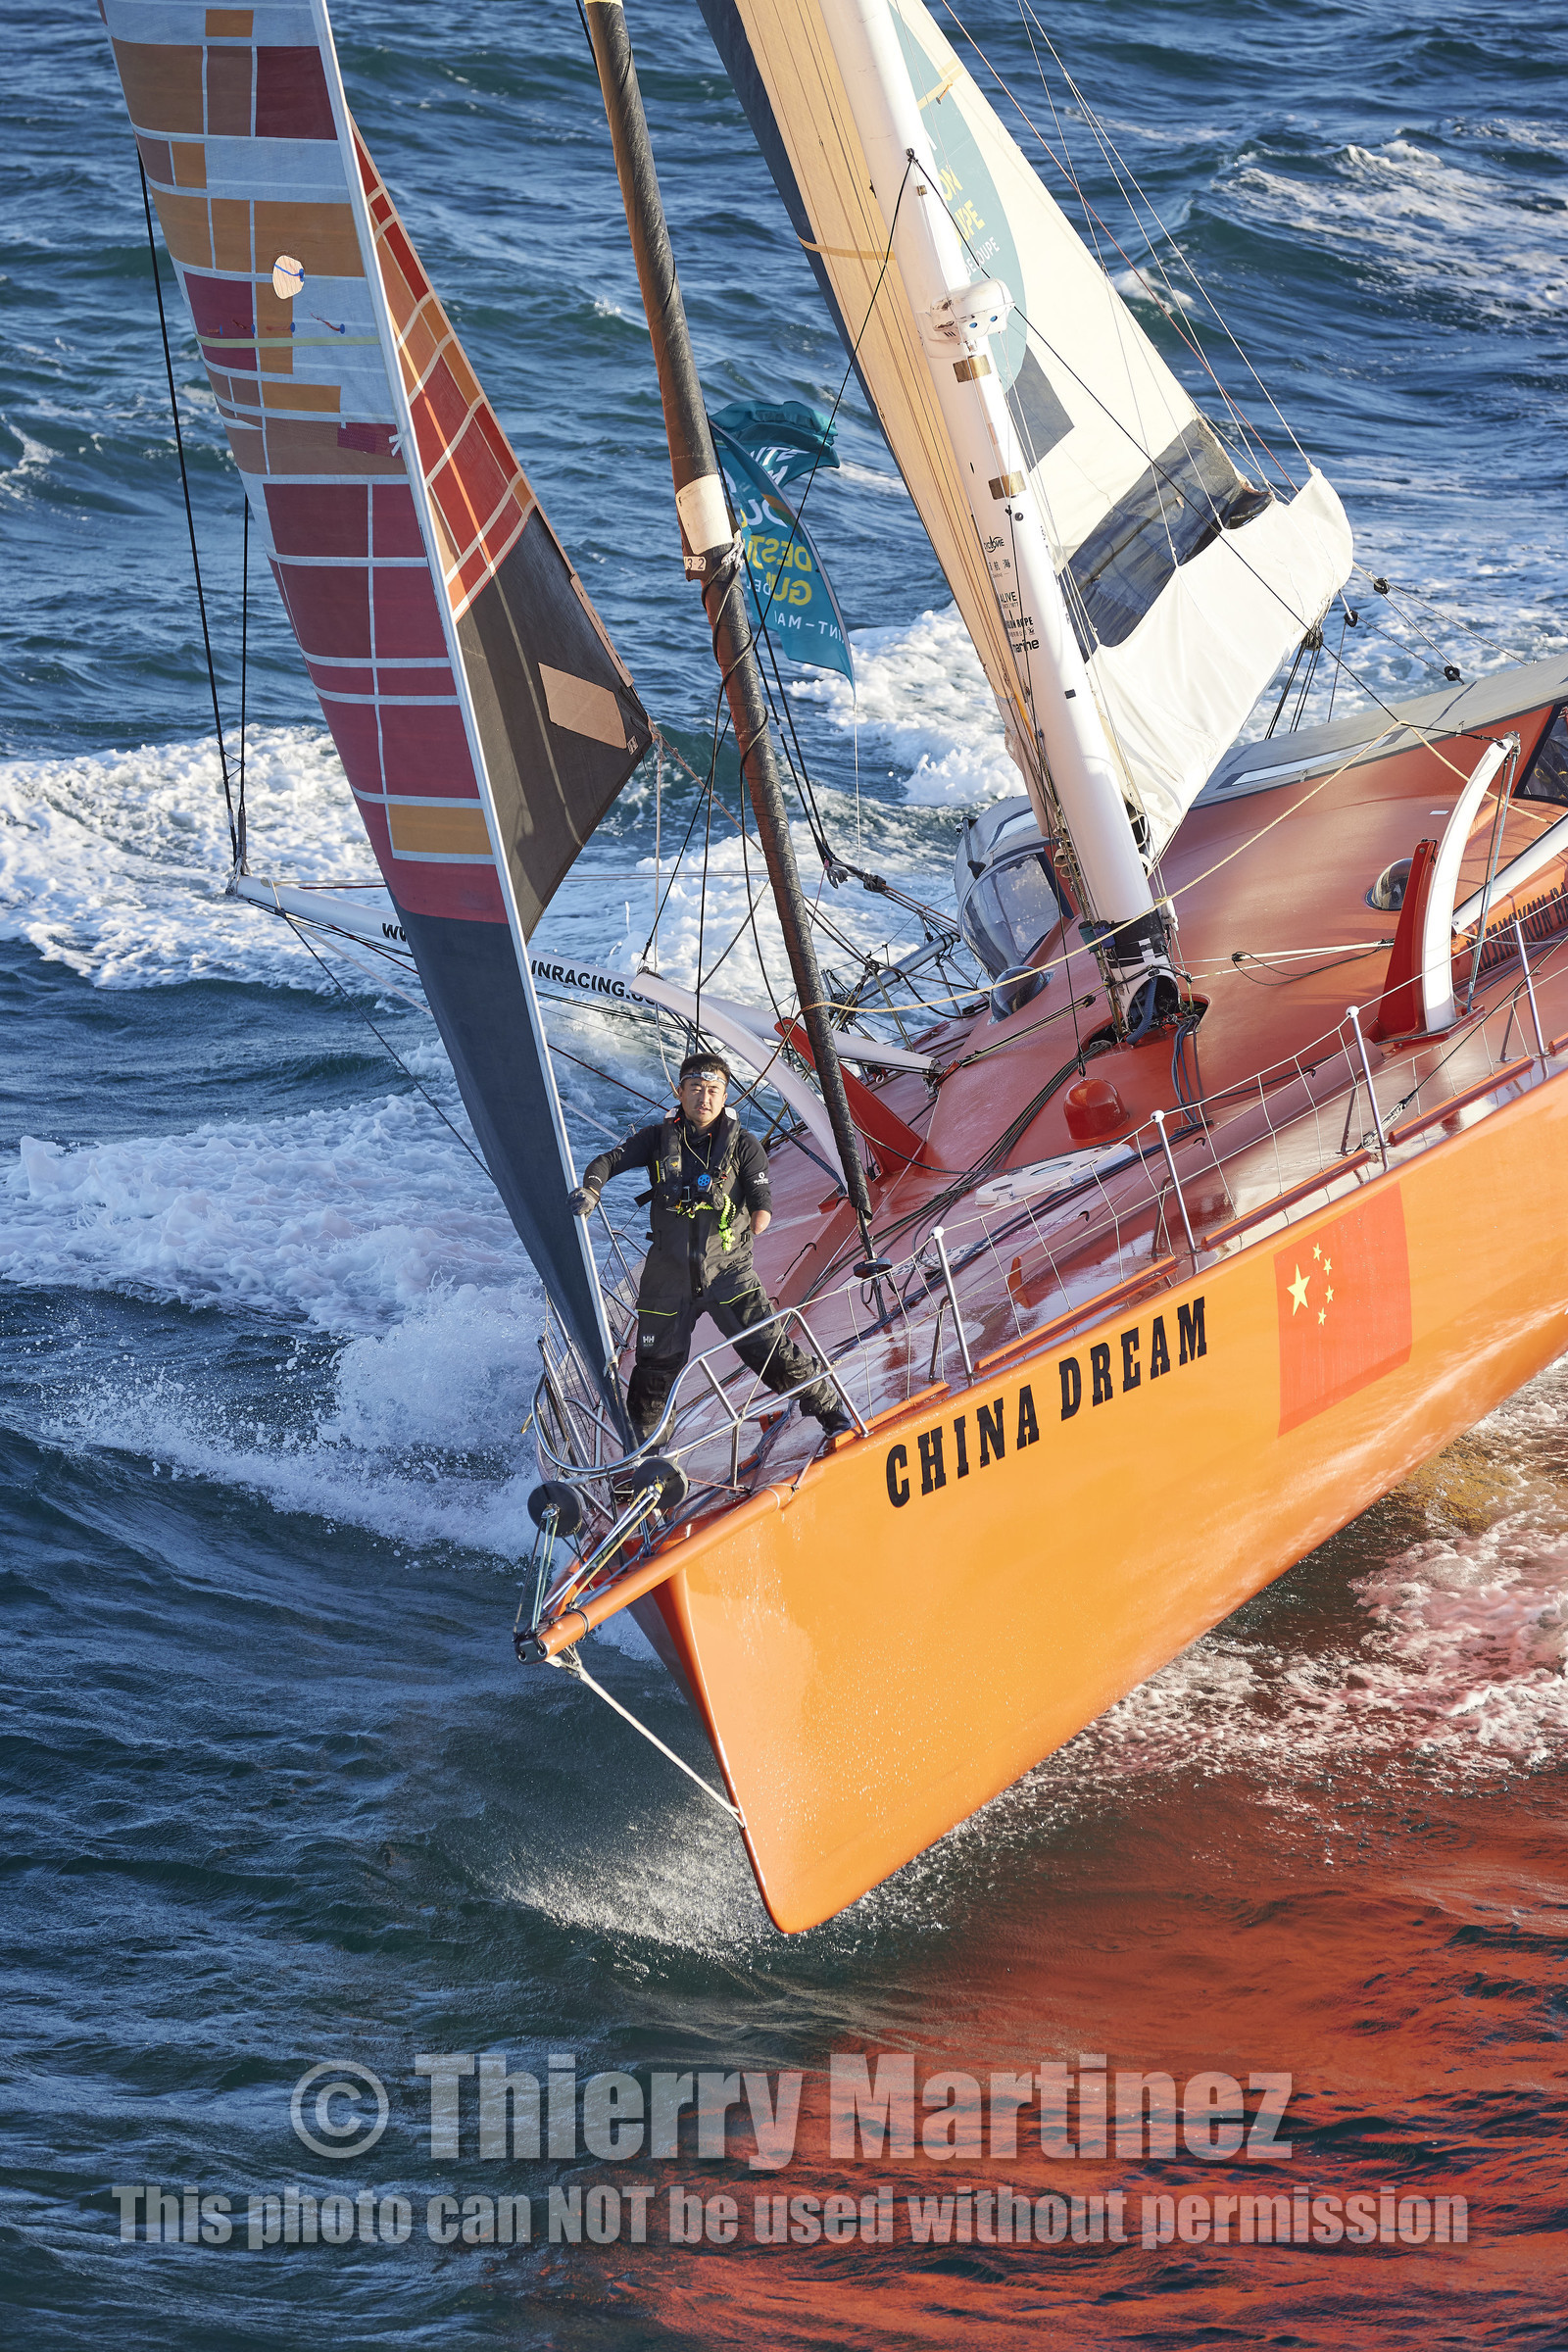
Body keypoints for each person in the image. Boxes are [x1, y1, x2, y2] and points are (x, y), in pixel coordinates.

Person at [570, 1053, 854, 1446]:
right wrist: (591, 1189)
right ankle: (647, 1452)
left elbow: (761, 1197)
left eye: (714, 1091)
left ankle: (832, 1413)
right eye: (697, 1088)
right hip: (666, 1275)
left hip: (728, 1271)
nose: (704, 1097)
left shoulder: (745, 1145)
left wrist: (760, 1214)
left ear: (724, 1098)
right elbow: (608, 1160)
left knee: (768, 1349)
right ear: (679, 1091)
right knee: (654, 1366)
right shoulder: (656, 1139)